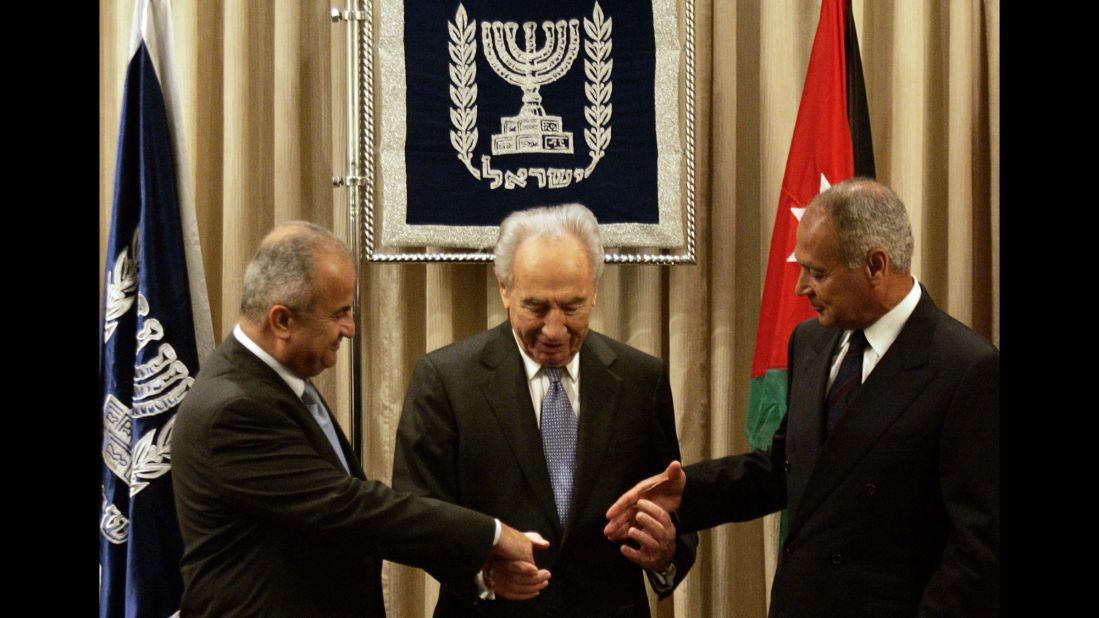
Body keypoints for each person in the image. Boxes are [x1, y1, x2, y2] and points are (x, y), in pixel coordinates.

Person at [606, 178, 999, 617]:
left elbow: (978, 550)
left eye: (818, 272)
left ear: (874, 266)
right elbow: (786, 470)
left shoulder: (966, 369)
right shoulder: (811, 341)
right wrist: (688, 492)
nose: (800, 288)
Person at [171, 222, 550, 617]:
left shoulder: (276, 381)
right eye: (339, 313)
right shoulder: (235, 410)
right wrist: (491, 534)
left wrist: (480, 571)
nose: (350, 329)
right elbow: (350, 508)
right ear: (282, 321)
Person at [392, 204, 697, 616]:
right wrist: (485, 573)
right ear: (504, 288)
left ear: (595, 289)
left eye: (573, 307)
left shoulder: (641, 379)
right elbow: (417, 517)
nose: (555, 330)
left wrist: (665, 553)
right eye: (536, 307)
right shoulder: (446, 380)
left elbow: (670, 502)